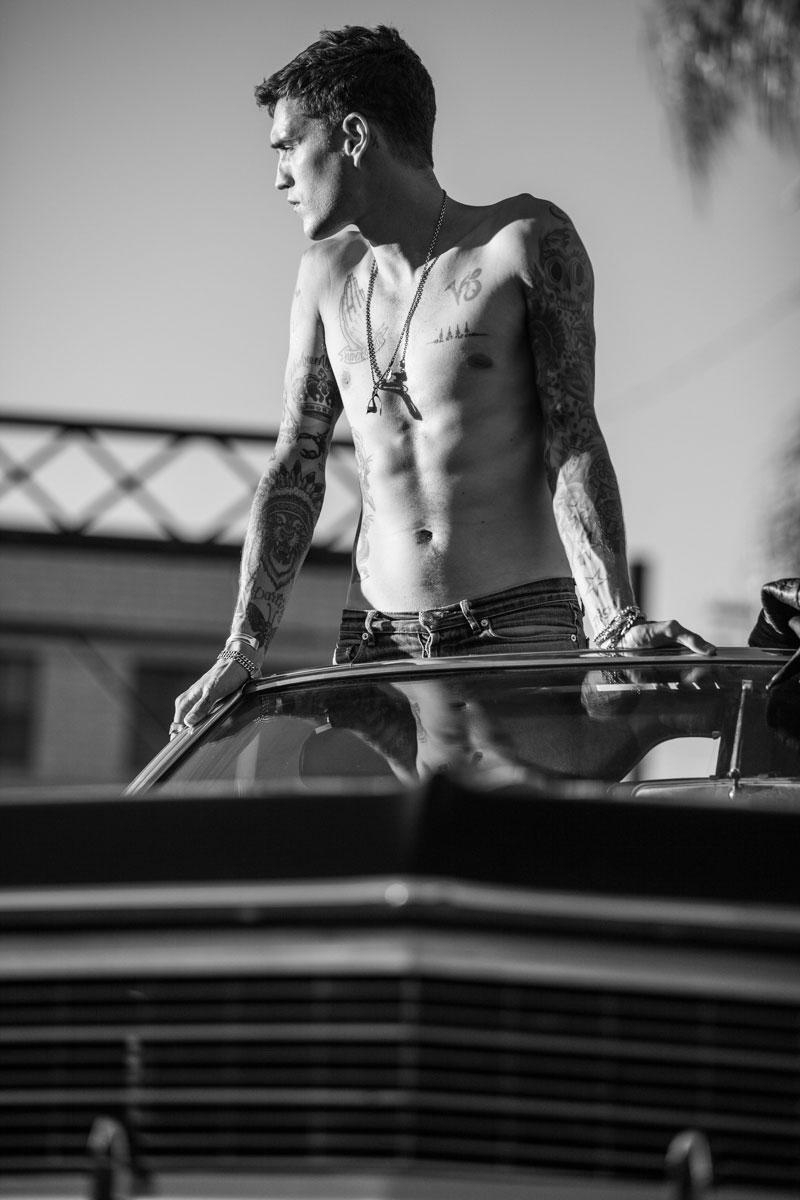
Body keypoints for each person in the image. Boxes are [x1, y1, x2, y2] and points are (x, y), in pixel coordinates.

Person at [171, 24, 714, 738]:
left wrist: (615, 621)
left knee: (511, 817)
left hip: (515, 628)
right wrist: (242, 647)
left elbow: (573, 434)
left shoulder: (520, 241)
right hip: (377, 647)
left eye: (288, 146)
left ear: (353, 135)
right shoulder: (324, 278)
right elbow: (297, 464)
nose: (279, 176)